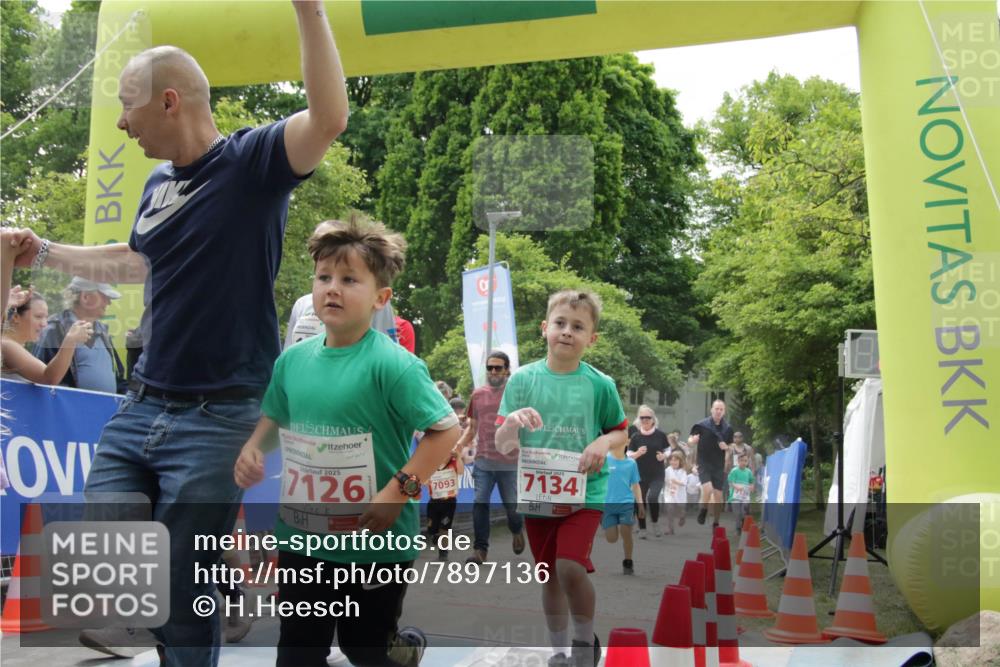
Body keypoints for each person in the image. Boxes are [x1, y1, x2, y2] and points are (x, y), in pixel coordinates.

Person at [12, 4, 349, 663]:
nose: (119, 121)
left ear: (169, 101)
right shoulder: (157, 185)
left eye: (127, 105)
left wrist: (308, 8)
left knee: (182, 581)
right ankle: (160, 614)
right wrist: (46, 251)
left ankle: (186, 622)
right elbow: (137, 259)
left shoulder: (252, 163)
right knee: (110, 542)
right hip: (143, 407)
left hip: (219, 414)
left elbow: (329, 118)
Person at [234, 216, 459, 667]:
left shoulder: (395, 365)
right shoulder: (292, 361)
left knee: (366, 649)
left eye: (349, 279)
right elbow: (277, 415)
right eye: (324, 277)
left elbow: (445, 430)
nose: (332, 288)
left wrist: (399, 492)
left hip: (376, 540)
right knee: (298, 649)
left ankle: (404, 646)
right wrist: (254, 446)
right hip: (303, 537)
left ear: (381, 298)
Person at [495, 289, 628, 667]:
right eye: (560, 323)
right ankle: (558, 652)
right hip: (538, 493)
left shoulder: (600, 384)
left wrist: (602, 442)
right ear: (544, 329)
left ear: (592, 338)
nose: (567, 332)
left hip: (585, 491)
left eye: (578, 326)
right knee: (548, 577)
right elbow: (502, 444)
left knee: (568, 567)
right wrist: (512, 425)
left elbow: (621, 433)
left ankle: (584, 645)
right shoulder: (521, 380)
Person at [456, 350, 526, 565]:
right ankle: (480, 551)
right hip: (483, 460)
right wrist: (458, 446)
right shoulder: (477, 395)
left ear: (507, 370)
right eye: (490, 367)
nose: (493, 371)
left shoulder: (516, 395)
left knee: (512, 508)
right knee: (480, 503)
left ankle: (516, 530)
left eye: (498, 367)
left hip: (509, 462)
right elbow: (472, 428)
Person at [33, 277, 125, 393]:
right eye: (104, 296)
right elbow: (40, 382)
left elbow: (115, 378)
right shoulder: (53, 330)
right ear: (85, 297)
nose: (109, 302)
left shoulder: (103, 332)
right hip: (67, 410)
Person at [2, 291, 92, 384]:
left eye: (46, 317)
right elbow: (48, 378)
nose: (44, 324)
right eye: (38, 317)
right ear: (16, 317)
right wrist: (70, 340)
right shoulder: (6, 344)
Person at [689, 399, 735, 530]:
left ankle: (716, 522)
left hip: (718, 465)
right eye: (716, 409)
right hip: (704, 462)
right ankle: (703, 510)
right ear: (711, 410)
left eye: (721, 409)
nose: (719, 411)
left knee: (718, 496)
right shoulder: (702, 425)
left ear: (724, 411)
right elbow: (689, 439)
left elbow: (731, 446)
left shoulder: (728, 428)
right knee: (708, 489)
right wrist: (693, 440)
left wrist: (726, 447)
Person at [602, 435, 643, 575]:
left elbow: (636, 485)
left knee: (626, 532)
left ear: (627, 442)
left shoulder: (631, 463)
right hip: (607, 505)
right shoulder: (604, 459)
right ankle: (613, 525)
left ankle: (628, 561)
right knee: (611, 538)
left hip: (626, 503)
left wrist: (641, 505)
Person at [627, 405, 669, 539]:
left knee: (652, 497)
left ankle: (655, 523)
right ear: (639, 419)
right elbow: (628, 454)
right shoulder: (635, 436)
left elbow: (668, 450)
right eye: (642, 417)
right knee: (639, 500)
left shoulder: (660, 435)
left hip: (657, 473)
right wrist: (637, 453)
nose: (645, 420)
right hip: (640, 474)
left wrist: (664, 456)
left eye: (647, 417)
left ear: (653, 419)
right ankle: (642, 528)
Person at [662, 450, 689, 535]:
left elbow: (684, 483)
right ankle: (670, 529)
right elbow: (664, 480)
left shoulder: (683, 471)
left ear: (680, 461)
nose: (673, 462)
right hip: (670, 493)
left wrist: (676, 482)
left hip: (680, 495)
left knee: (680, 510)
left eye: (676, 460)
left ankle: (683, 516)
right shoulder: (667, 470)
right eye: (672, 460)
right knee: (670, 510)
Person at [727, 453, 754, 535]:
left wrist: (752, 487)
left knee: (744, 511)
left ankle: (743, 524)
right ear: (738, 461)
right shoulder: (734, 471)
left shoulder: (748, 471)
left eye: (745, 461)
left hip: (745, 496)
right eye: (742, 460)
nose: (743, 462)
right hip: (735, 496)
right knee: (737, 513)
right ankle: (738, 529)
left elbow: (751, 481)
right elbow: (731, 483)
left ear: (748, 462)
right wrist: (736, 487)